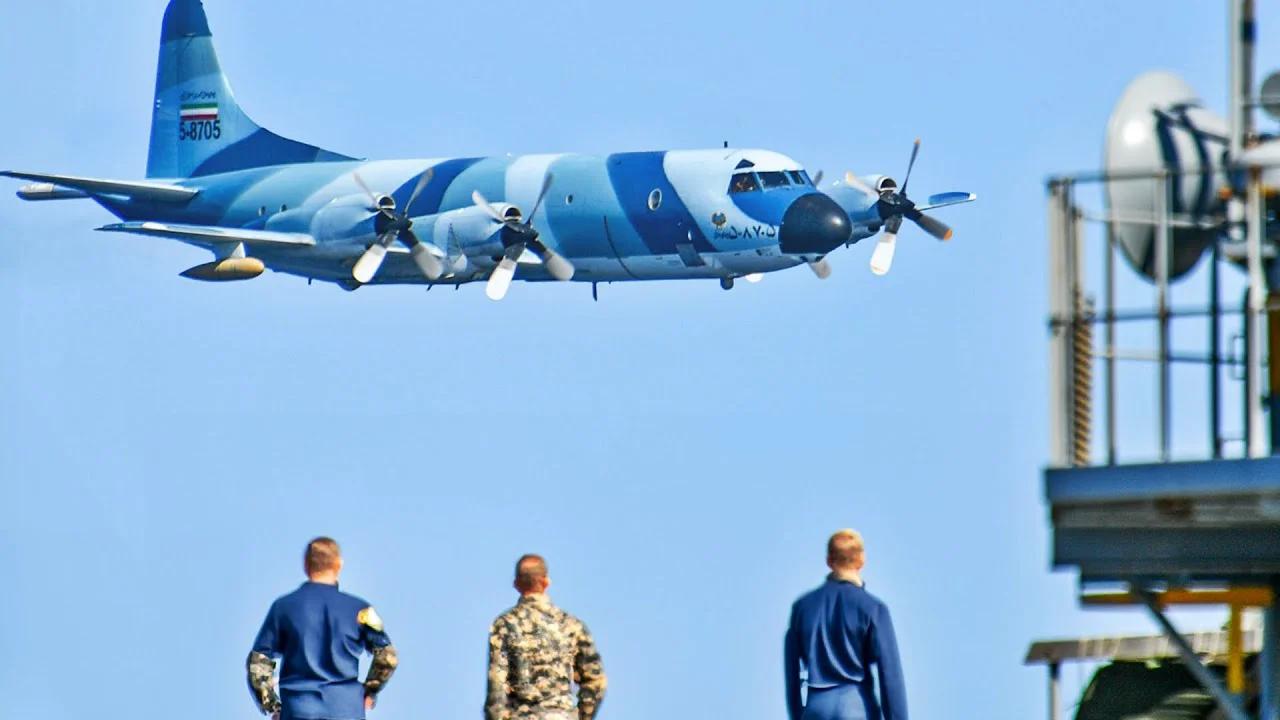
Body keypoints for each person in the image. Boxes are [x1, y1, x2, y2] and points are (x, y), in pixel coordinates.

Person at [247, 537, 399, 720]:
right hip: (345, 710)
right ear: (339, 565)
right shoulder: (361, 610)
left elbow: (258, 661)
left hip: (298, 710)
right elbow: (387, 657)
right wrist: (369, 691)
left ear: (306, 565)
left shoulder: (283, 608)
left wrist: (273, 706)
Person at [784, 530, 907, 720]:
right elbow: (890, 677)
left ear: (829, 561)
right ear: (861, 560)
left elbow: (792, 674)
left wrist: (798, 715)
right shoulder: (874, 608)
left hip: (815, 706)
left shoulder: (802, 607)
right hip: (855, 705)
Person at [486, 554, 607, 720]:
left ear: (516, 584)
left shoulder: (505, 624)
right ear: (546, 582)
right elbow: (595, 681)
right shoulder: (571, 625)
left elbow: (497, 687)